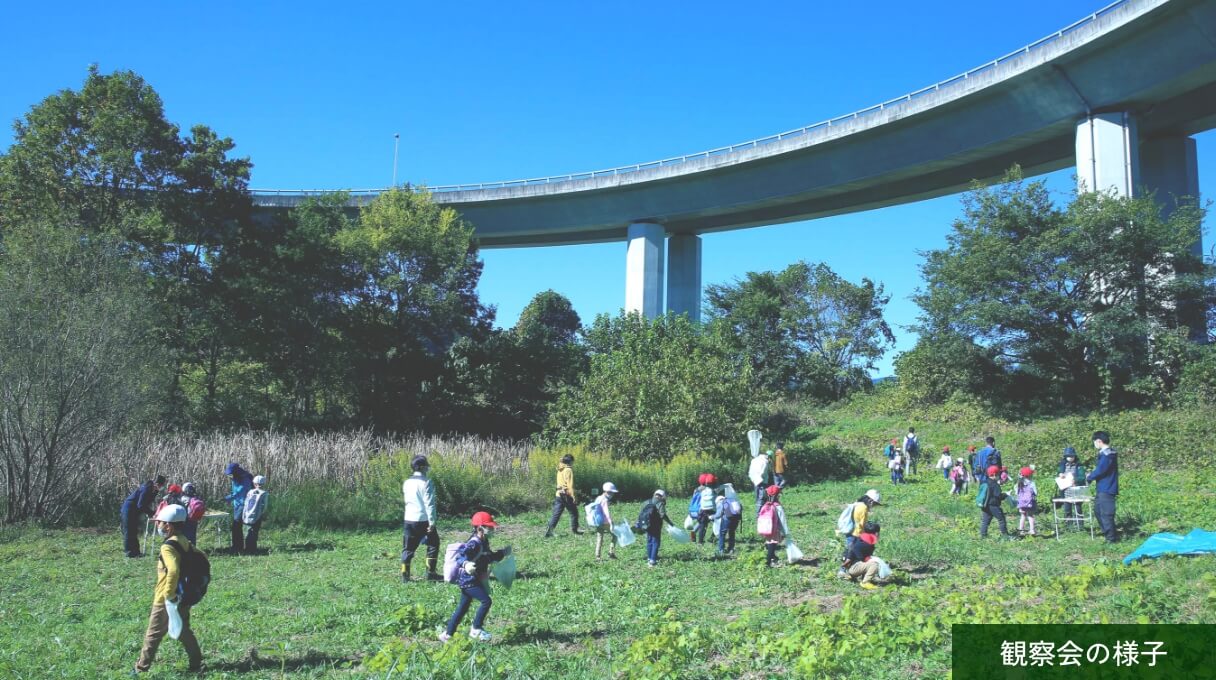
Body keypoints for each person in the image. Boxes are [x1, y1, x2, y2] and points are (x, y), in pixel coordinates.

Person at [133, 504, 202, 673]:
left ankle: (140, 669)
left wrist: (168, 594)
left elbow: (173, 570)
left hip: (166, 598)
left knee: (153, 634)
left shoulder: (167, 546)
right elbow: (200, 556)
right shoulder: (184, 540)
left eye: (160, 522)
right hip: (182, 595)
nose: (158, 525)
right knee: (183, 630)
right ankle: (197, 663)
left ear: (169, 525)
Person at [439, 511, 510, 643]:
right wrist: (466, 564)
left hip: (473, 580)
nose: (492, 529)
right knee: (486, 601)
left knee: (462, 608)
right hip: (468, 580)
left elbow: (489, 557)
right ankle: (476, 629)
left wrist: (502, 553)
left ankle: (447, 635)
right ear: (479, 528)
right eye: (489, 527)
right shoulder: (474, 543)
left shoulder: (484, 541)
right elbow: (460, 557)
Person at [401, 455, 441, 582]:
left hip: (409, 519)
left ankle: (405, 576)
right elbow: (429, 504)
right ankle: (431, 573)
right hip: (423, 519)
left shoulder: (407, 482)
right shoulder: (426, 482)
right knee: (433, 544)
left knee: (408, 548)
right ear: (422, 467)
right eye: (426, 465)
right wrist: (432, 522)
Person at [1086, 431, 1119, 543]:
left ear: (1099, 441)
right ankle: (1108, 534)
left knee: (1106, 513)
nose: (1094, 444)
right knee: (1098, 511)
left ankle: (1111, 538)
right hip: (1101, 488)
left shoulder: (1108, 455)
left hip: (1107, 488)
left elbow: (1101, 470)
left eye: (1094, 442)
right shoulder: (1105, 454)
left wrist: (1089, 477)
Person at [121, 475, 165, 558]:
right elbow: (141, 505)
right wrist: (151, 513)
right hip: (128, 510)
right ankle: (129, 553)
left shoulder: (152, 490)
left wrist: (155, 493)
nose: (161, 488)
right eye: (160, 486)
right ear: (156, 484)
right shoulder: (146, 488)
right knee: (129, 531)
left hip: (134, 511)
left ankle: (136, 552)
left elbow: (147, 502)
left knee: (134, 531)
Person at [635, 489, 676, 567]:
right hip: (656, 525)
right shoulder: (660, 503)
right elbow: (663, 515)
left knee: (649, 540)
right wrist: (670, 523)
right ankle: (653, 561)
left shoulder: (646, 502)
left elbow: (640, 514)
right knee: (656, 542)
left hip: (646, 525)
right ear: (662, 496)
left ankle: (649, 558)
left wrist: (639, 524)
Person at [544, 454, 582, 537]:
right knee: (574, 513)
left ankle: (549, 531)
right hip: (566, 495)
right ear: (570, 461)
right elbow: (570, 485)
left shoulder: (560, 468)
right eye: (573, 461)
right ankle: (575, 531)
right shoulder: (568, 470)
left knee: (556, 514)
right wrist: (573, 496)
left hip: (558, 494)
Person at [838, 489, 881, 561]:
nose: (874, 506)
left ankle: (850, 564)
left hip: (851, 530)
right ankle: (843, 569)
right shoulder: (863, 508)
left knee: (850, 549)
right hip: (855, 533)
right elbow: (861, 524)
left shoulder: (858, 504)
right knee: (851, 551)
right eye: (875, 504)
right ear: (870, 501)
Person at [839, 521, 882, 590]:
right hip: (854, 568)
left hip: (853, 566)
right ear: (876, 534)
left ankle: (860, 577)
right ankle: (865, 582)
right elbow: (854, 551)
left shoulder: (863, 539)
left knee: (870, 561)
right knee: (875, 564)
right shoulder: (865, 544)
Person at [222, 463, 254, 554]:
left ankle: (237, 547)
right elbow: (234, 490)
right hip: (237, 504)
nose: (229, 477)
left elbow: (241, 491)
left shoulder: (245, 478)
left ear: (236, 472)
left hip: (243, 504)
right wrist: (231, 501)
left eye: (231, 474)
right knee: (237, 526)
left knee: (236, 526)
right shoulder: (235, 478)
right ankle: (238, 546)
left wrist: (229, 498)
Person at [757, 485, 789, 567]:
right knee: (773, 544)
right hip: (775, 529)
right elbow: (782, 521)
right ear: (778, 495)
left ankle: (773, 558)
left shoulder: (766, 505)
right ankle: (767, 562)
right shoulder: (777, 506)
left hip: (766, 528)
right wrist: (785, 532)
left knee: (769, 543)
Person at [978, 465, 1012, 539]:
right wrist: (1006, 494)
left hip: (985, 505)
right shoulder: (995, 484)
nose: (999, 476)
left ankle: (983, 535)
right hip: (993, 505)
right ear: (994, 475)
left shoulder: (985, 482)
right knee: (1001, 519)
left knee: (985, 521)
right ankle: (1005, 535)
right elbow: (998, 496)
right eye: (998, 475)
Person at [1055, 447, 1088, 520]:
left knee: (1078, 508)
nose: (1070, 458)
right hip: (1066, 490)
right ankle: (1068, 526)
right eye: (1068, 456)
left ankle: (1080, 526)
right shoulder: (1062, 466)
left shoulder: (1079, 465)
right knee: (1067, 509)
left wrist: (1075, 480)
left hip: (1076, 489)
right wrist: (1060, 474)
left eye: (1072, 456)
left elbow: (1082, 477)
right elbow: (1058, 476)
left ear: (1075, 456)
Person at [713, 486, 743, 556]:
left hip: (727, 519)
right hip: (736, 519)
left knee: (722, 534)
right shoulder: (733, 500)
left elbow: (718, 515)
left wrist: (711, 517)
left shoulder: (721, 502)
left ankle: (721, 550)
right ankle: (731, 549)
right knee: (732, 533)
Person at [593, 482, 620, 560]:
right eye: (612, 493)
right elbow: (606, 513)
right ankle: (611, 553)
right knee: (615, 535)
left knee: (599, 538)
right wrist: (611, 523)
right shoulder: (604, 500)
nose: (613, 495)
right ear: (608, 492)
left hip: (598, 522)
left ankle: (597, 556)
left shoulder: (598, 498)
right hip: (606, 522)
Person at [243, 476, 269, 554]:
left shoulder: (250, 492)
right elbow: (265, 506)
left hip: (247, 515)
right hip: (257, 516)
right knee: (254, 531)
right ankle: (252, 548)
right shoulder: (264, 493)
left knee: (247, 531)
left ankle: (247, 547)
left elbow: (246, 503)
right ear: (263, 483)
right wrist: (263, 514)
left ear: (254, 483)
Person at [693, 474, 717, 545]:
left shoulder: (699, 490)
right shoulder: (713, 490)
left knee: (701, 526)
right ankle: (712, 537)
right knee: (718, 522)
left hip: (700, 510)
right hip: (711, 511)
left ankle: (699, 541)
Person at [1015, 467, 1037, 536]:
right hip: (1030, 503)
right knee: (1030, 515)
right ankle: (1032, 530)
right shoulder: (1032, 483)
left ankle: (1021, 530)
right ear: (1030, 475)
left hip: (1021, 503)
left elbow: (1016, 493)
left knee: (1023, 516)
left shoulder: (1019, 483)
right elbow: (1036, 493)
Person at [748, 451, 771, 515]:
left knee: (757, 497)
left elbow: (750, 471)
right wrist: (761, 478)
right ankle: (759, 513)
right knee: (762, 497)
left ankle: (759, 511)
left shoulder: (754, 460)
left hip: (755, 480)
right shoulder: (765, 461)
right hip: (762, 481)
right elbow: (763, 472)